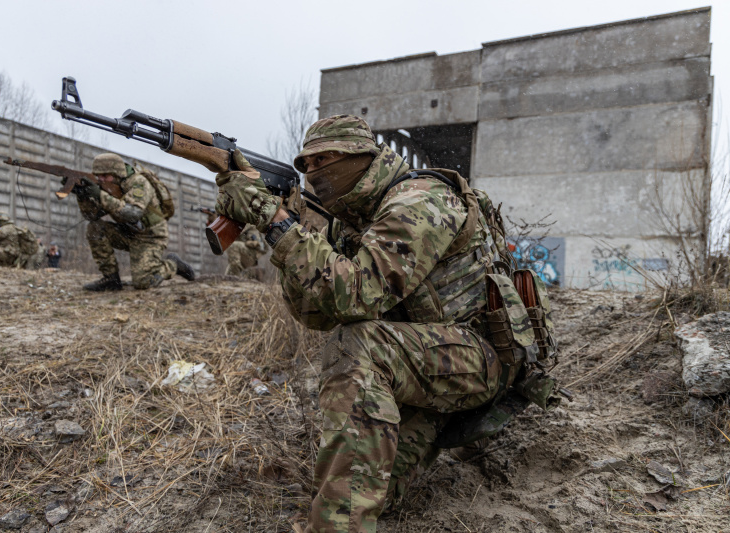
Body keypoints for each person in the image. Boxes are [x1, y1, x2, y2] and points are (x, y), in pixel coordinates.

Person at [214, 115, 533, 532]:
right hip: (423, 365)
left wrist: (277, 223)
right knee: (374, 492)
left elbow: (360, 294)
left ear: (361, 157)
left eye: (325, 160)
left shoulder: (420, 199)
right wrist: (290, 233)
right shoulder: (349, 221)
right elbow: (319, 314)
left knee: (357, 344)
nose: (314, 173)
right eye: (306, 165)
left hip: (480, 359)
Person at [75, 153, 195, 291]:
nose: (101, 179)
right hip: (128, 233)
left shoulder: (138, 182)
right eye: (98, 176)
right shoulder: (107, 187)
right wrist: (82, 196)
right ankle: (111, 279)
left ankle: (173, 264)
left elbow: (133, 213)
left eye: (105, 176)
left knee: (144, 282)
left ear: (117, 173)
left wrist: (100, 195)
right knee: (94, 228)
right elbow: (92, 216)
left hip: (150, 237)